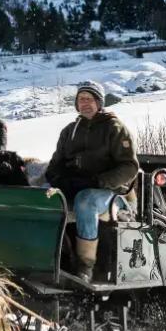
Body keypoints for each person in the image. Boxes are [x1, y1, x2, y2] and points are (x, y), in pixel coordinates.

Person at [45, 81, 139, 281]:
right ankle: (54, 260)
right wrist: (61, 181)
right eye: (81, 99)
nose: (85, 103)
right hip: (77, 187)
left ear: (99, 102)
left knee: (85, 201)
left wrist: (98, 181)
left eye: (89, 99)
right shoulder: (69, 131)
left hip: (113, 194)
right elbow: (54, 166)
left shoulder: (115, 128)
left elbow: (130, 167)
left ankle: (85, 267)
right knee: (46, 199)